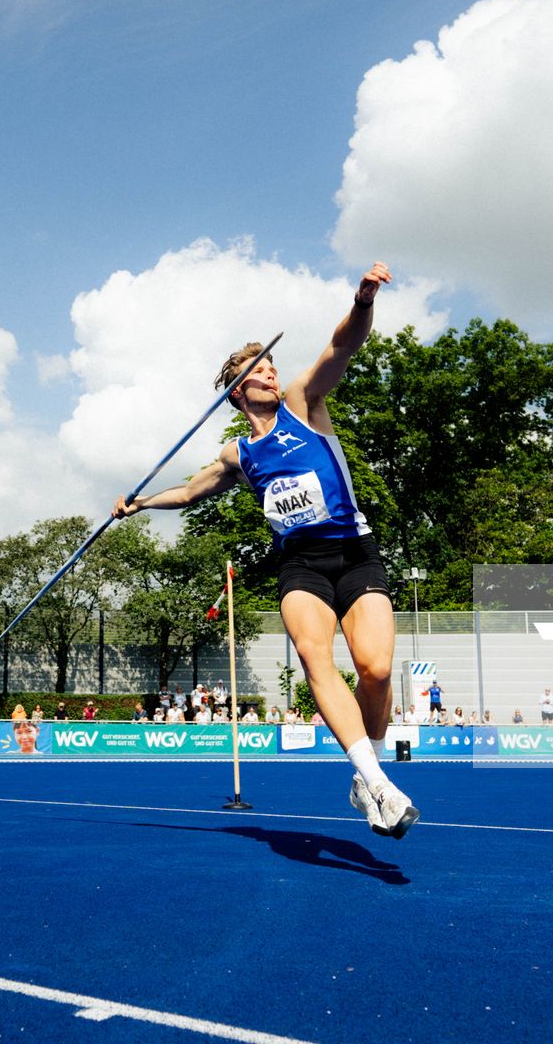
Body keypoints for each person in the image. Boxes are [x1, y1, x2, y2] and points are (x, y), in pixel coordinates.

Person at [113, 263, 417, 838]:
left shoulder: (304, 404)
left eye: (273, 366)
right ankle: (375, 780)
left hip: (355, 551)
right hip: (300, 565)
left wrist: (363, 301)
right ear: (238, 391)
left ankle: (366, 768)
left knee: (376, 670)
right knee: (314, 657)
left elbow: (341, 346)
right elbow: (190, 492)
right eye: (260, 371)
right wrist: (141, 503)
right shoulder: (238, 455)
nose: (273, 374)